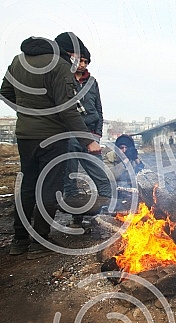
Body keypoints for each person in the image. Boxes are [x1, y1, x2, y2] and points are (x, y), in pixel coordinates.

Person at [0, 33, 101, 258]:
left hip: (25, 135)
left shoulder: (18, 60)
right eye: (76, 55)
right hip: (53, 137)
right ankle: (39, 242)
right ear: (67, 51)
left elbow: (5, 92)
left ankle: (19, 241)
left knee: (27, 186)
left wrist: (29, 113)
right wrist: (88, 140)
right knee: (49, 187)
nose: (78, 60)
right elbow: (67, 109)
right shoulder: (60, 66)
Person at [59, 33, 111, 224]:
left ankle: (106, 216)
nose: (82, 64)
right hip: (71, 135)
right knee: (70, 179)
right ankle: (77, 217)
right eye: (79, 60)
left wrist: (96, 135)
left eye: (85, 61)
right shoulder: (64, 79)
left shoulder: (92, 82)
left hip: (90, 134)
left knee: (102, 176)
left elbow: (99, 109)